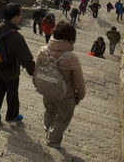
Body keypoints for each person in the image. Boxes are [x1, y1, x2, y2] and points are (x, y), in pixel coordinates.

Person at [36, 20, 86, 149]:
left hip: (48, 90)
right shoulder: (71, 58)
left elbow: (37, 71)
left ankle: (47, 128)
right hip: (66, 96)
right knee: (64, 118)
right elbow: (79, 82)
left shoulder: (43, 50)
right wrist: (79, 96)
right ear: (71, 38)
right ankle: (52, 141)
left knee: (50, 111)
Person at [0, 3, 35, 125]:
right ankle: (12, 115)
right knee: (12, 94)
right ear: (13, 17)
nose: (21, 17)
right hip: (10, 71)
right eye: (20, 14)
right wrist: (33, 72)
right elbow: (26, 59)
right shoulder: (16, 37)